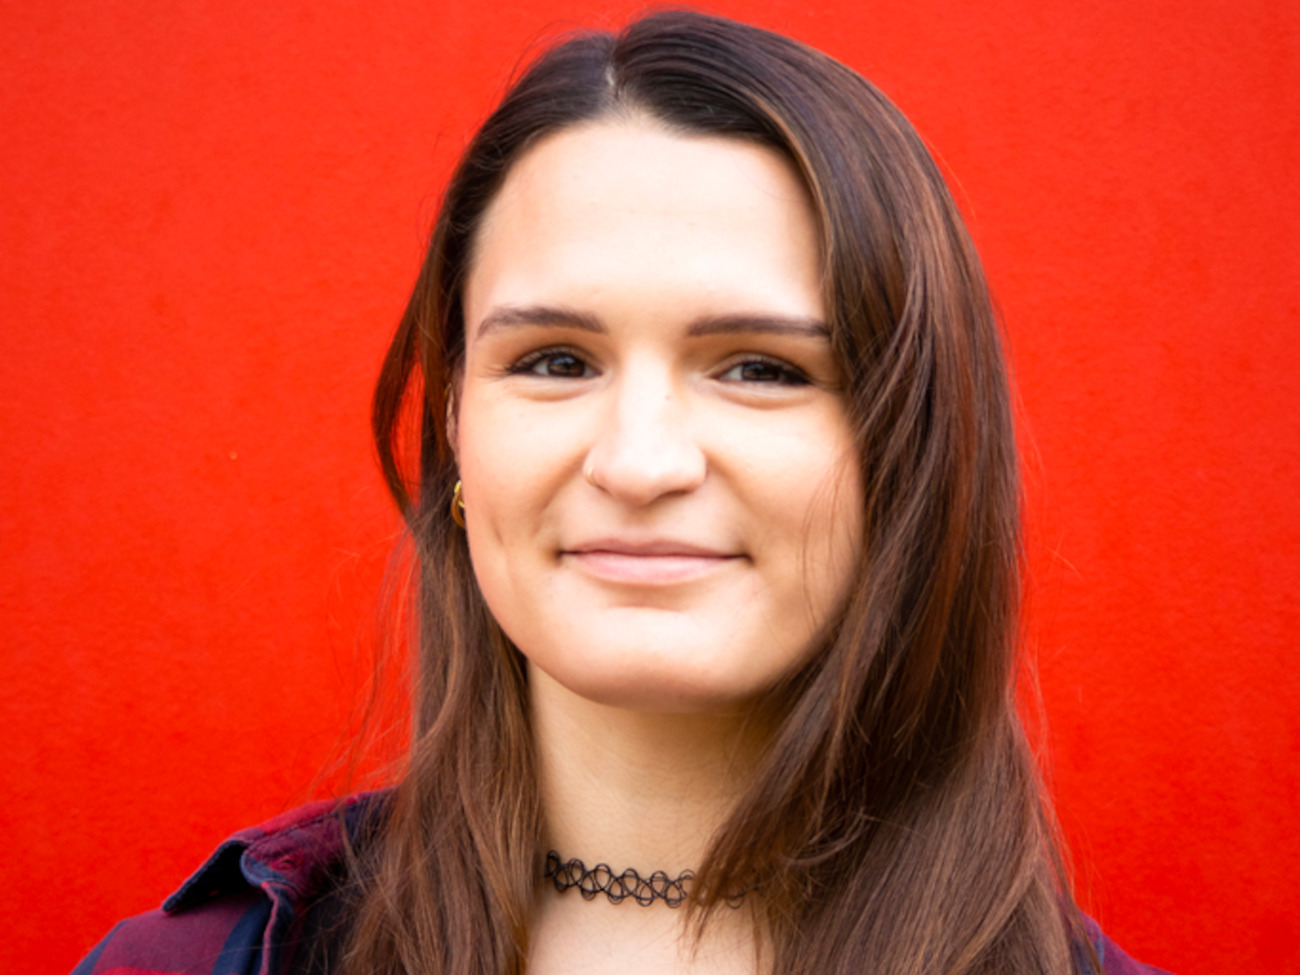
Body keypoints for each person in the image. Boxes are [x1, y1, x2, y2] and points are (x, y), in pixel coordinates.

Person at [72, 10, 1170, 975]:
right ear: (457, 437)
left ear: (913, 454)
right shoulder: (191, 965)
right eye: (553, 360)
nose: (639, 464)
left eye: (760, 369)